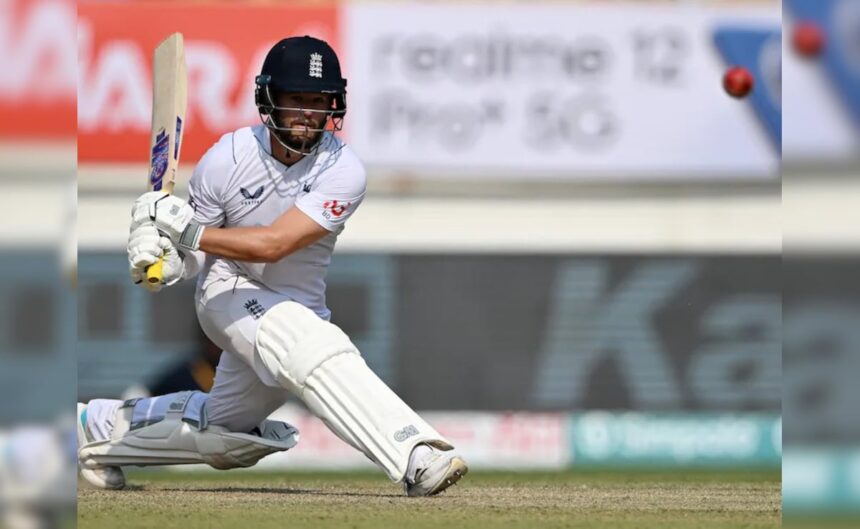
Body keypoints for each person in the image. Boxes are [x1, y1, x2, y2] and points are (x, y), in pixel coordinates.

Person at [77, 36, 467, 497]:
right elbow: (195, 257)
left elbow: (275, 244)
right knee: (307, 344)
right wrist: (162, 258)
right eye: (296, 100)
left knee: (223, 435)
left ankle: (95, 430)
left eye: (319, 102)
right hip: (226, 291)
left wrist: (187, 234)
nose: (308, 112)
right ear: (269, 100)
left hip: (297, 303)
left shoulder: (344, 170)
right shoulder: (227, 159)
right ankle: (415, 453)